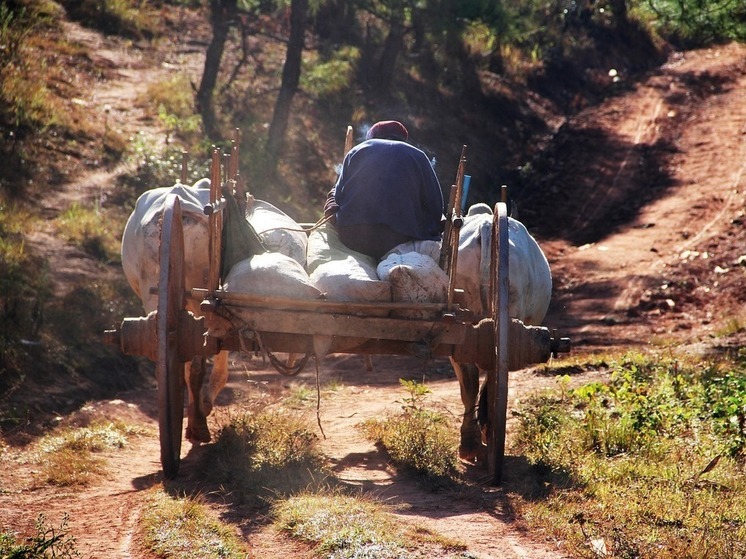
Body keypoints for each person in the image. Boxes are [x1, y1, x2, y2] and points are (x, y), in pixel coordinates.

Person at [323, 120, 445, 259]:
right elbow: (435, 205)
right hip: (400, 240)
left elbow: (338, 198)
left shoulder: (356, 151)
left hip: (353, 237)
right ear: (402, 138)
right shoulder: (418, 156)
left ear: (372, 137)